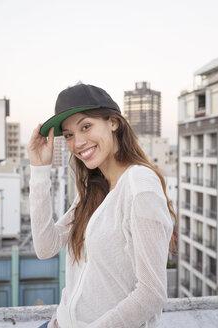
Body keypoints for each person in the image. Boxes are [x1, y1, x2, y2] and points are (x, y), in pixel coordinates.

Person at [28, 84, 177, 328]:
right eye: (68, 135)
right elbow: (46, 246)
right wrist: (39, 169)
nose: (78, 143)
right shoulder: (95, 188)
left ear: (113, 122)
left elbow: (152, 293)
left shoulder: (140, 186)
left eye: (86, 126)